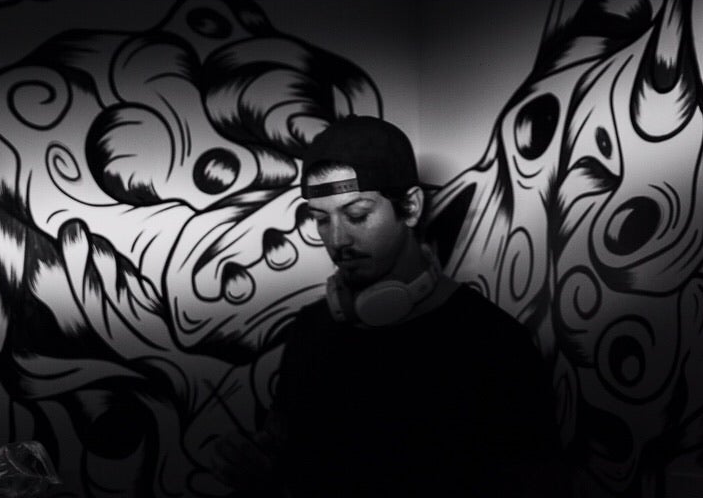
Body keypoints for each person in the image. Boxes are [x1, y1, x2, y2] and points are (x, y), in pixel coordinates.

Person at [208, 115, 567, 497]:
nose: (337, 239)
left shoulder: (494, 341)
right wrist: (260, 466)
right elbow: (286, 446)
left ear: (410, 207)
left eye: (357, 215)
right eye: (321, 220)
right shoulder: (310, 327)